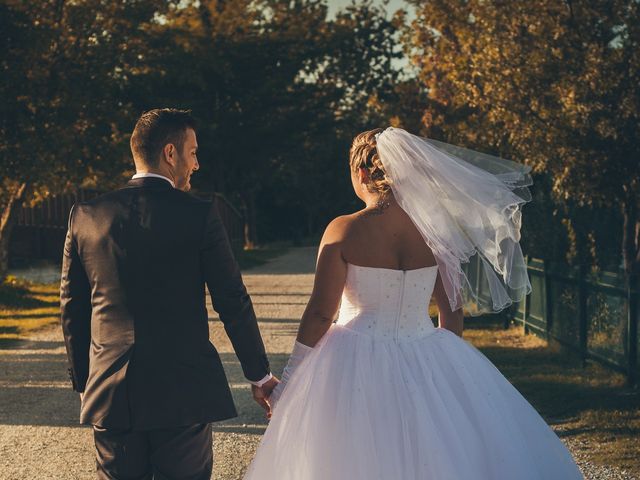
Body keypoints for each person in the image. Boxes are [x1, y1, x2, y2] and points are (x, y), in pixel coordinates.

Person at [244, 127, 583, 479]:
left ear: (361, 173)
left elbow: (320, 313)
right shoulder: (436, 232)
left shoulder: (343, 230)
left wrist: (289, 381)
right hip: (426, 347)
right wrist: (447, 370)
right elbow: (452, 308)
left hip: (352, 356)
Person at [60, 108, 278, 479]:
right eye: (192, 152)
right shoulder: (199, 214)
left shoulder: (86, 215)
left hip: (111, 391)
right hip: (183, 392)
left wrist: (85, 382)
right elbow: (232, 300)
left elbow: (73, 308)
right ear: (170, 153)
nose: (196, 163)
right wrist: (259, 376)